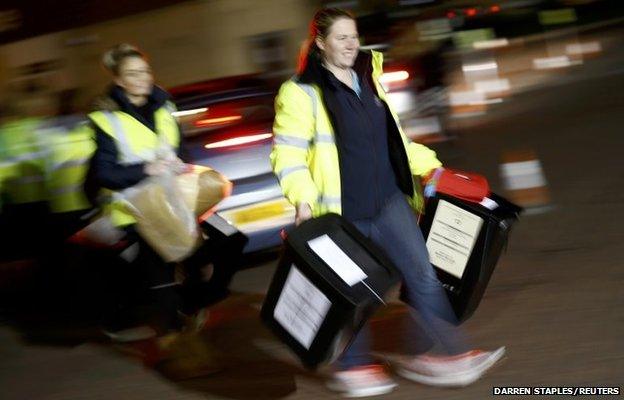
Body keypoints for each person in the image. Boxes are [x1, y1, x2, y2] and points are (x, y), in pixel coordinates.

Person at [270, 8, 505, 398]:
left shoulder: (370, 79)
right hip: (342, 214)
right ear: (321, 43)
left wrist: (433, 170)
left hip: (389, 202)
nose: (350, 43)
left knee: (423, 275)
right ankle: (352, 366)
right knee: (361, 292)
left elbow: (397, 142)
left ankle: (450, 356)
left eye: (354, 35)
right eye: (341, 37)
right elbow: (288, 155)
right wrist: (303, 201)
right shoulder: (301, 92)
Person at [86, 43, 186, 341]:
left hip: (170, 200)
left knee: (220, 244)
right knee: (158, 268)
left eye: (145, 71)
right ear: (119, 81)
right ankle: (175, 334)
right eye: (132, 74)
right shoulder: (106, 119)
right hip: (133, 208)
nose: (142, 78)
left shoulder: (166, 107)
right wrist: (146, 169)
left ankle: (178, 311)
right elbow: (104, 173)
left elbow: (177, 148)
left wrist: (180, 162)